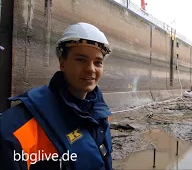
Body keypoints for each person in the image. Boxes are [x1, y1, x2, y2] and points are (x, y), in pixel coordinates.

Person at [0, 22, 113, 170]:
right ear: (62, 63)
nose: (91, 69)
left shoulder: (101, 114)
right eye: (81, 60)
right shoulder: (15, 129)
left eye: (98, 62)